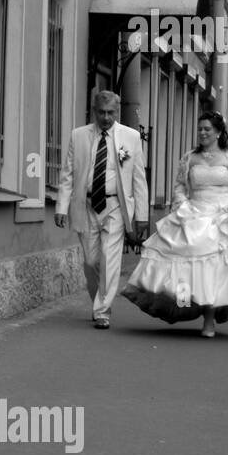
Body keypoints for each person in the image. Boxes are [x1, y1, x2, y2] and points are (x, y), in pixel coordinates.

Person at [121, 111, 228, 337]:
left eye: (207, 129)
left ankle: (209, 320)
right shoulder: (190, 158)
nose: (202, 133)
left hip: (224, 215)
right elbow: (180, 187)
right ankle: (186, 303)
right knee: (187, 265)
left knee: (217, 269)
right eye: (200, 129)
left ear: (218, 133)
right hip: (193, 212)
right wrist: (181, 206)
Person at [55, 90, 149, 330]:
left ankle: (103, 310)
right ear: (93, 111)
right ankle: (99, 300)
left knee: (109, 258)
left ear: (116, 112)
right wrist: (61, 206)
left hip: (115, 206)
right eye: (101, 112)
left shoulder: (131, 137)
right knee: (90, 261)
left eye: (110, 113)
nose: (106, 118)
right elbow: (68, 173)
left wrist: (142, 216)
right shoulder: (79, 136)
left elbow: (139, 178)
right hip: (85, 205)